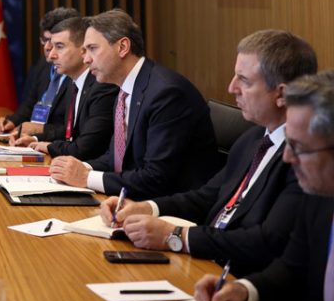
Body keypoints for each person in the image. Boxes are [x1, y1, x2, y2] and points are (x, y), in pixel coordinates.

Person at [101, 30, 315, 276]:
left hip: (237, 275)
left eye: (244, 80)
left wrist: (176, 236)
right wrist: (145, 207)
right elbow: (206, 197)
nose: (231, 87)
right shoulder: (253, 138)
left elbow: (266, 241)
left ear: (281, 94)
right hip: (205, 263)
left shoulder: (305, 159)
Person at [193, 71, 334, 301]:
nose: (287, 157)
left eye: (298, 147)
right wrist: (244, 290)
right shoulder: (319, 193)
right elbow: (292, 267)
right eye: (287, 143)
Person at [48, 9, 219, 200]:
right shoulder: (125, 89)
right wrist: (79, 168)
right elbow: (116, 157)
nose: (86, 59)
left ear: (122, 47)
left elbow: (155, 177)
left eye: (92, 48)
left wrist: (86, 178)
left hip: (168, 207)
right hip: (131, 199)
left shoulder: (166, 94)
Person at [14, 17, 117, 160]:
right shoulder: (71, 82)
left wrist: (49, 146)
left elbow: (85, 147)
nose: (51, 55)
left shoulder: (102, 85)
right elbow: (70, 131)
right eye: (52, 47)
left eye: (60, 47)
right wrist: (36, 139)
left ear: (82, 50)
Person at [0, 7, 80, 134]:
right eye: (44, 40)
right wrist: (12, 121)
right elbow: (29, 104)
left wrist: (40, 130)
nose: (47, 47)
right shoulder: (42, 65)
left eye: (55, 42)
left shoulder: (79, 73)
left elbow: (76, 129)